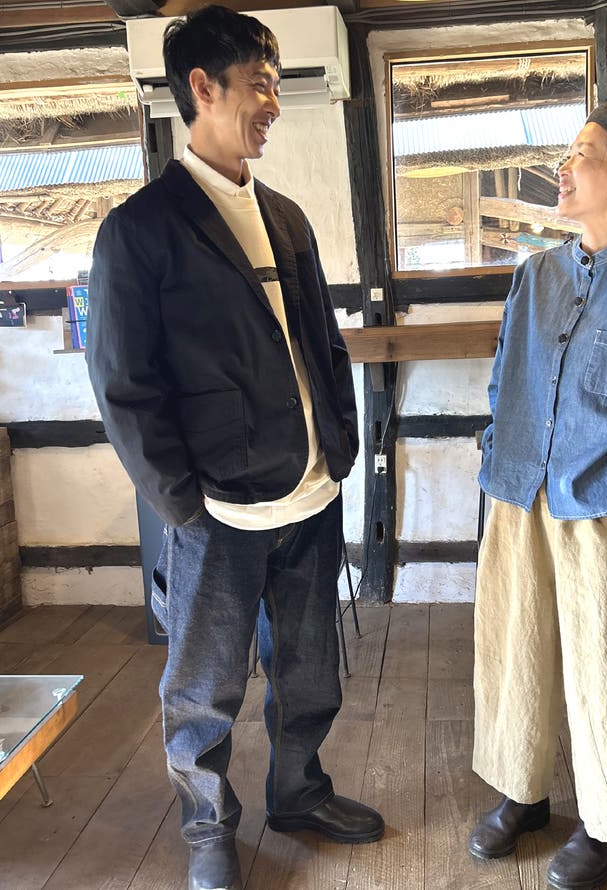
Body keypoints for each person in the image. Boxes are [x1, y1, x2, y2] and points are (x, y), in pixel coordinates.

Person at [86, 6, 384, 889]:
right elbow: (123, 385)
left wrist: (339, 448)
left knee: (309, 667)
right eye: (260, 84)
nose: (273, 104)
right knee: (203, 686)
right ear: (202, 88)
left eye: (276, 84)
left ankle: (299, 792)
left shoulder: (286, 216)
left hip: (309, 492)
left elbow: (322, 343)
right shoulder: (140, 229)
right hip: (216, 508)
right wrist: (182, 502)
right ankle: (209, 826)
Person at [468, 99, 607, 890]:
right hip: (517, 496)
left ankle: (606, 823)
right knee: (513, 651)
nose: (563, 168)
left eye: (582, 154)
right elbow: (506, 380)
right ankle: (522, 791)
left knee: (601, 667)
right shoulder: (535, 276)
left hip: (602, 506)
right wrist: (496, 453)